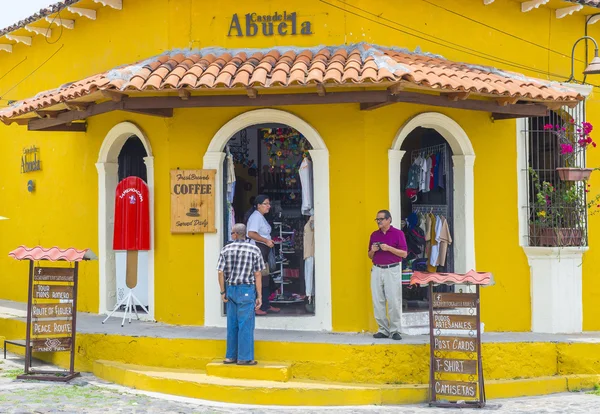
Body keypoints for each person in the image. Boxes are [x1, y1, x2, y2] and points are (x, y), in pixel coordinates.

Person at [218, 223, 264, 365]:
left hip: (231, 289)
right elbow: (257, 274)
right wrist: (259, 296)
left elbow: (220, 272)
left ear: (236, 234)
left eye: (232, 232)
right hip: (246, 290)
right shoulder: (254, 250)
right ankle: (244, 358)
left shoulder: (226, 249)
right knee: (245, 324)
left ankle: (230, 356)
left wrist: (222, 291)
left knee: (232, 323)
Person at [368, 209, 408, 340]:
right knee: (377, 300)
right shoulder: (374, 235)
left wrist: (389, 248)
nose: (378, 221)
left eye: (381, 219)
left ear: (389, 219)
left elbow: (404, 253)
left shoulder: (398, 234)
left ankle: (395, 330)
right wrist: (373, 251)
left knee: (393, 300)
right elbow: (369, 255)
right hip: (377, 269)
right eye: (377, 219)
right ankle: (383, 329)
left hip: (392, 269)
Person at [246, 194, 281, 316]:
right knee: (259, 277)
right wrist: (266, 241)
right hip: (257, 250)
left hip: (263, 250)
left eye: (269, 204)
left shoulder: (260, 217)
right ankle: (257, 306)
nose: (269, 206)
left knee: (265, 277)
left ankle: (265, 304)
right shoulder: (256, 217)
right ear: (258, 205)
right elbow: (251, 233)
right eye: (266, 204)